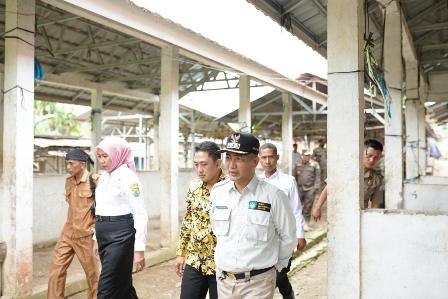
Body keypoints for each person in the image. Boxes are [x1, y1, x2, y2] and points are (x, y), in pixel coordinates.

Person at [210, 132, 296, 299]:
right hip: (224, 282)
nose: (232, 165)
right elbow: (216, 232)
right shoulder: (218, 192)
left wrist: (275, 268)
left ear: (255, 162)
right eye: (228, 158)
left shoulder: (273, 196)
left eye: (239, 159)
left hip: (258, 283)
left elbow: (288, 236)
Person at [94, 137, 148, 299]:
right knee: (122, 284)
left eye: (106, 156)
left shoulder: (128, 177)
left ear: (117, 154)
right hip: (103, 233)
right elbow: (99, 209)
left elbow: (140, 213)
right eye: (100, 157)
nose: (102, 161)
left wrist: (139, 250)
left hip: (121, 236)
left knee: (106, 287)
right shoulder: (104, 176)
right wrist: (96, 238)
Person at [175, 141, 226, 299]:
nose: (199, 170)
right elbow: (188, 220)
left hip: (223, 264)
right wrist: (181, 253)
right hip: (195, 259)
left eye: (204, 164)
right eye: (196, 164)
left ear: (218, 163)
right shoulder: (194, 186)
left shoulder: (230, 188)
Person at [47, 149, 99, 299]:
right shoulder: (68, 181)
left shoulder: (95, 181)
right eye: (67, 164)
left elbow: (103, 209)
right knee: (56, 270)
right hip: (68, 234)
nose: (68, 167)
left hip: (86, 236)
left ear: (82, 164)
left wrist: (96, 230)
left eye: (71, 163)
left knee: (93, 276)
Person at [258, 143, 306, 299]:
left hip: (284, 237)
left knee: (278, 275)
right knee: (266, 275)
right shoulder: (255, 183)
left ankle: (288, 295)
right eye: (264, 157)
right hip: (262, 238)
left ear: (277, 158)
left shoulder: (288, 181)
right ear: (259, 159)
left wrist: (300, 234)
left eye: (270, 157)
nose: (267, 161)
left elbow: (296, 209)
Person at [312, 139, 384, 221]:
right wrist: (317, 207)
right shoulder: (345, 169)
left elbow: (375, 204)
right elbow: (329, 188)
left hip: (359, 218)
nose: (372, 160)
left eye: (376, 158)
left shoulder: (377, 178)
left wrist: (372, 220)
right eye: (369, 156)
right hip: (339, 214)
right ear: (361, 153)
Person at [296, 150, 321, 223]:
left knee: (308, 207)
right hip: (299, 188)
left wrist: (315, 188)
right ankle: (298, 223)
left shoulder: (315, 164)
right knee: (297, 206)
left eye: (308, 155)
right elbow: (294, 175)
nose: (307, 157)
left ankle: (306, 223)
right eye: (305, 155)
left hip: (310, 189)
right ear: (302, 155)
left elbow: (318, 177)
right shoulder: (298, 163)